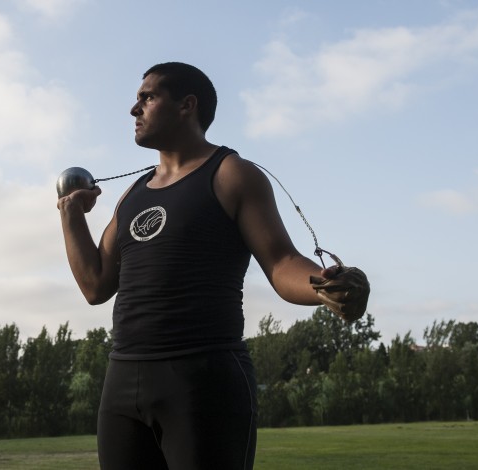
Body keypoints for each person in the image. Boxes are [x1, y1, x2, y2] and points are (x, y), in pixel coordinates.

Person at [57, 62, 358, 470]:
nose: (134, 108)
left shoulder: (232, 174)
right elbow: (95, 285)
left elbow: (282, 262)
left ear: (187, 105)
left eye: (147, 97)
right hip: (123, 381)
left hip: (204, 379)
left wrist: (322, 287)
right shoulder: (131, 194)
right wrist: (71, 215)